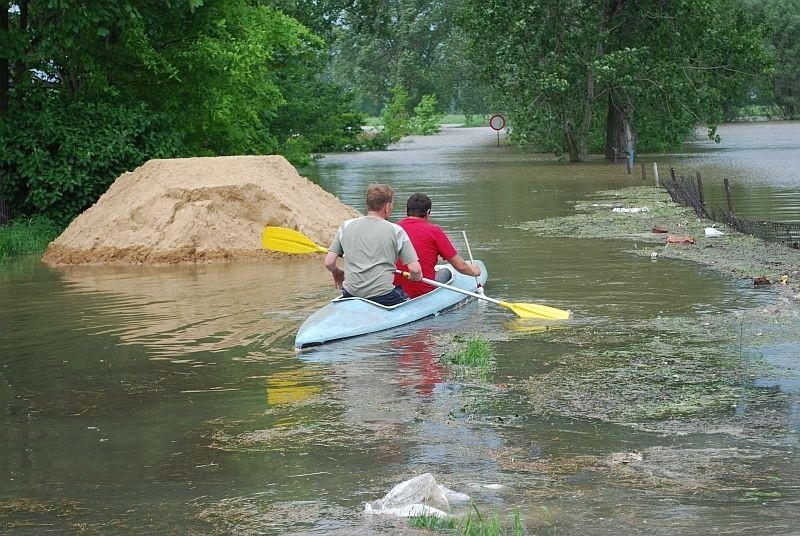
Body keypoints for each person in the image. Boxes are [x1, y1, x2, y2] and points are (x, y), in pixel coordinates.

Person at [324, 183, 423, 306]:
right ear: (387, 207)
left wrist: (336, 271)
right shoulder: (396, 231)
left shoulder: (346, 226)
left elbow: (329, 262)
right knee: (411, 303)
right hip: (383, 296)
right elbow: (415, 269)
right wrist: (416, 277)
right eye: (392, 205)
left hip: (350, 293)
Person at [393, 193, 481, 298]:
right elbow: (460, 266)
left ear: (406, 211)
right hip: (423, 292)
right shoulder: (435, 232)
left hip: (394, 291)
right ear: (428, 212)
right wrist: (474, 271)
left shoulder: (392, 229)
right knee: (445, 272)